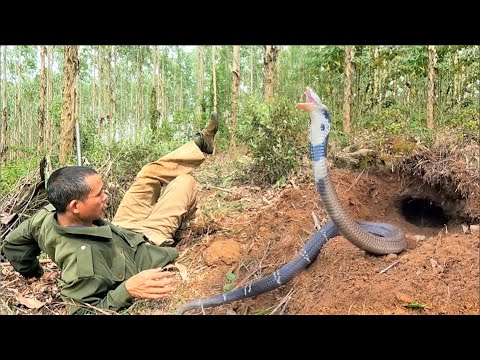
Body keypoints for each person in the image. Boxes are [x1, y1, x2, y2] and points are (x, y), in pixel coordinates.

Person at [2, 113, 219, 315]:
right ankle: (184, 223)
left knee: (148, 174)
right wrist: (127, 290)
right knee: (184, 182)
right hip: (146, 241)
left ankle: (200, 145)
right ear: (75, 206)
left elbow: (13, 244)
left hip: (119, 228)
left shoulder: (48, 214)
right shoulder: (83, 266)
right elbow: (81, 311)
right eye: (99, 194)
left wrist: (34, 273)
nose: (106, 197)